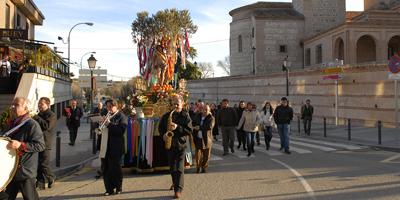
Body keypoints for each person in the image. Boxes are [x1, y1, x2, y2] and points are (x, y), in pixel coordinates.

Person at [5, 97, 45, 200]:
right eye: (12, 104)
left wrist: (20, 145)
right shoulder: (12, 123)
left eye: (17, 105)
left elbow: (40, 145)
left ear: (26, 109)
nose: (13, 107)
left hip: (25, 171)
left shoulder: (32, 124)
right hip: (12, 169)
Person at [158, 94, 192, 199]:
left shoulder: (186, 115)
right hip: (170, 145)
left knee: (179, 168)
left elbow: (189, 131)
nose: (175, 106)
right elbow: (161, 128)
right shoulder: (166, 116)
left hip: (181, 145)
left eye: (177, 104)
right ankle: (175, 183)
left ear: (182, 104)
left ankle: (178, 190)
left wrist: (177, 127)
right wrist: (163, 135)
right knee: (172, 168)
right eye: (174, 104)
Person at [102, 99, 127, 196]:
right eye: (107, 107)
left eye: (110, 106)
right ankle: (109, 189)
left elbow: (120, 131)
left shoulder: (121, 116)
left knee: (116, 169)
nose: (109, 109)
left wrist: (109, 124)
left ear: (116, 106)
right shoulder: (106, 116)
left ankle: (118, 188)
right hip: (105, 146)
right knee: (106, 168)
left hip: (116, 147)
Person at [32, 97, 57, 190]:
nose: (39, 105)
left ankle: (51, 177)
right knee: (37, 164)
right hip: (37, 142)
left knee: (44, 164)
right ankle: (40, 183)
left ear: (48, 104)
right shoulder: (39, 114)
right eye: (39, 103)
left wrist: (36, 117)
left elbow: (47, 126)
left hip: (46, 143)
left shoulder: (52, 115)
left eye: (41, 104)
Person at [192, 104, 214, 173]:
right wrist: (194, 127)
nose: (204, 111)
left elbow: (209, 127)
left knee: (206, 156)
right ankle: (198, 167)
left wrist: (199, 128)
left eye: (206, 110)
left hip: (207, 139)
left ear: (209, 111)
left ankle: (204, 166)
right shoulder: (197, 116)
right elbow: (193, 123)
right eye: (203, 109)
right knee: (197, 155)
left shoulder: (211, 118)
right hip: (198, 138)